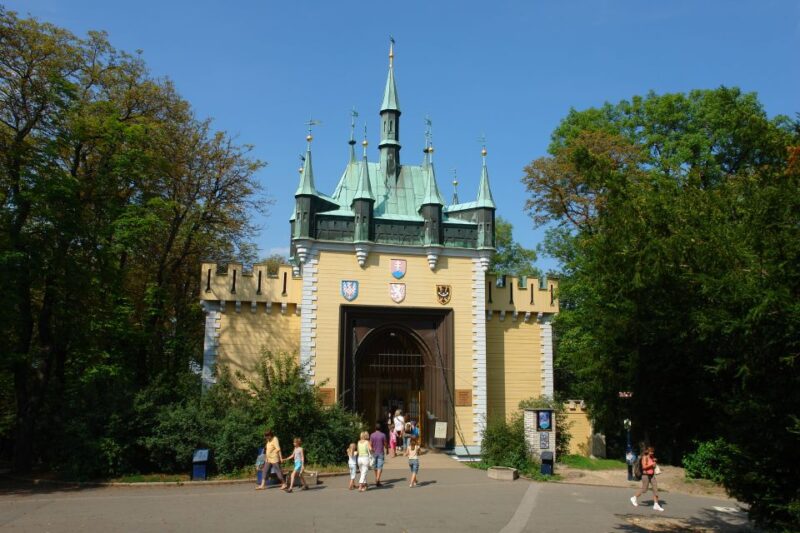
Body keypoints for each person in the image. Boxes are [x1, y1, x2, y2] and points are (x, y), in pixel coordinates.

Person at [631, 446, 663, 511]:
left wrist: (654, 464)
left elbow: (653, 466)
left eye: (653, 452)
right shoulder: (644, 458)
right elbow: (644, 467)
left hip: (652, 475)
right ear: (648, 451)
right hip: (645, 475)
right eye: (651, 452)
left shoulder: (652, 458)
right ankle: (634, 498)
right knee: (644, 490)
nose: (652, 453)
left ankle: (656, 504)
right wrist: (652, 465)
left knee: (655, 489)